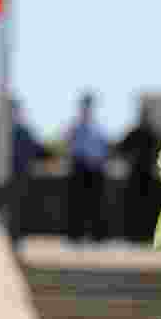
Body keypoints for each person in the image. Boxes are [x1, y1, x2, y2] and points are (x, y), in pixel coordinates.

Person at [0, 98, 48, 243]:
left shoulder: (22, 131)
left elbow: (38, 150)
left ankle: (12, 240)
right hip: (0, 180)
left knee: (15, 213)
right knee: (1, 213)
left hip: (17, 178)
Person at [113, 104, 161, 243]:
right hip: (135, 176)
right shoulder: (134, 133)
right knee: (134, 207)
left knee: (149, 208)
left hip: (149, 177)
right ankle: (134, 235)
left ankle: (147, 235)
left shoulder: (153, 133)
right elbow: (120, 149)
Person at [66, 92, 110, 243]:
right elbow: (70, 146)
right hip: (79, 167)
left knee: (96, 203)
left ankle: (97, 235)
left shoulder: (99, 127)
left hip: (96, 169)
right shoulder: (74, 126)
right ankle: (76, 234)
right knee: (77, 203)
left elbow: (104, 148)